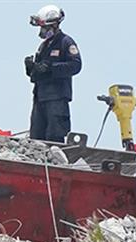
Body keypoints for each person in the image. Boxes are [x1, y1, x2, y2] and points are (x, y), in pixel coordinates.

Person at [25, 5, 82, 143]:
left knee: (54, 138)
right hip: (40, 98)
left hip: (57, 99)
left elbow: (76, 65)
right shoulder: (44, 46)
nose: (42, 32)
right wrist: (31, 69)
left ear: (54, 25)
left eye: (44, 28)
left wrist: (51, 67)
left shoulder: (65, 42)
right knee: (36, 139)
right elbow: (37, 75)